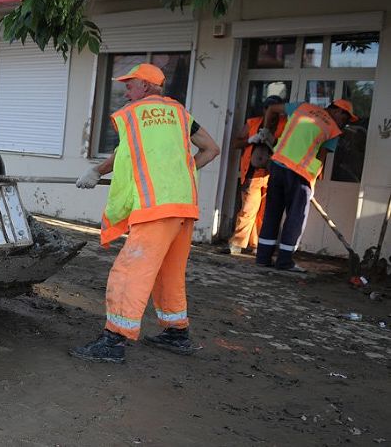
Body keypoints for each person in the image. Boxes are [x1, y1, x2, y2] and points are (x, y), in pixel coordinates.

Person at [70, 63, 220, 364]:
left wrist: (95, 171)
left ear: (147, 87)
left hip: (155, 208)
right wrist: (181, 170)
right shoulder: (179, 113)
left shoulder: (132, 115)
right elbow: (211, 149)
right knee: (170, 272)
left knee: (129, 271)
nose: (125, 92)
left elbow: (124, 154)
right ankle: (177, 334)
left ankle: (113, 340)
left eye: (130, 85)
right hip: (184, 205)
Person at [255, 99, 357, 272]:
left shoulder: (302, 107)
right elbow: (320, 159)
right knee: (296, 217)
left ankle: (263, 258)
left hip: (278, 165)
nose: (344, 123)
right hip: (300, 174)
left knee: (272, 212)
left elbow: (272, 108)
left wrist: (266, 129)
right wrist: (312, 183)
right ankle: (285, 261)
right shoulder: (333, 129)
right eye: (345, 119)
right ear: (339, 111)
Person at [224, 95, 288, 255]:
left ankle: (257, 244)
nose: (273, 115)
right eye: (270, 110)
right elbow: (236, 143)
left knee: (265, 213)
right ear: (264, 110)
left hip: (274, 174)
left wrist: (274, 141)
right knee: (248, 209)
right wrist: (251, 140)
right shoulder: (252, 123)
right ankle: (237, 243)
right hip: (253, 173)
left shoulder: (285, 124)